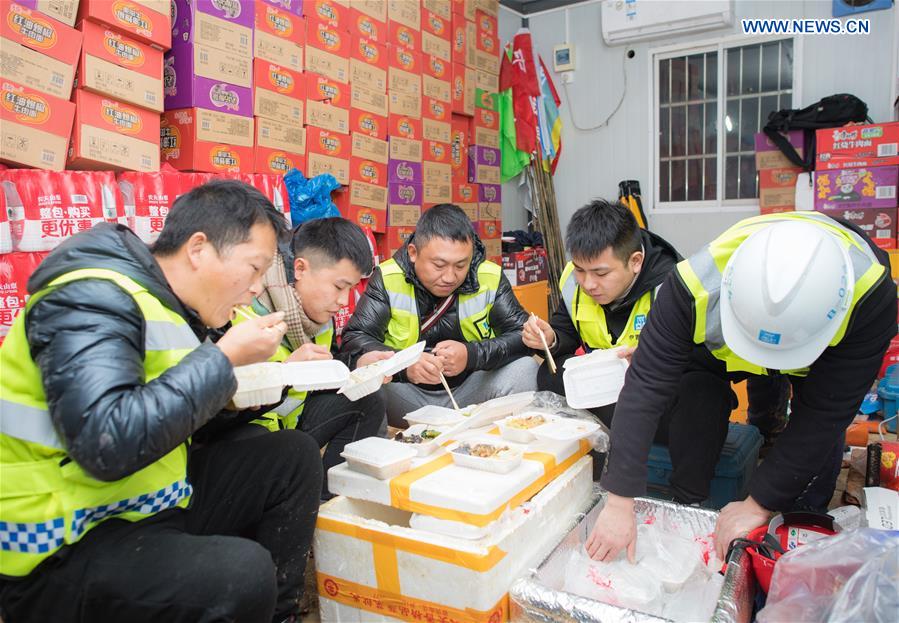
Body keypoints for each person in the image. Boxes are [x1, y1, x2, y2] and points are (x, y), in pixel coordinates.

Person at [0, 180, 322, 623]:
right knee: (241, 573)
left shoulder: (174, 309)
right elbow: (106, 442)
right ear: (198, 249)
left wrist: (247, 392)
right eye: (253, 268)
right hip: (64, 542)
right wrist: (222, 359)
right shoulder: (90, 296)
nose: (255, 288)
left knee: (292, 456)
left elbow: (173, 418)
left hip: (141, 506)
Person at [586, 211, 897, 563]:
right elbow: (645, 386)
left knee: (810, 461)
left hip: (820, 360)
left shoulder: (870, 300)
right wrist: (619, 500)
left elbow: (825, 414)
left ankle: (802, 520)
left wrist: (760, 503)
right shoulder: (691, 288)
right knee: (699, 390)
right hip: (724, 346)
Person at [522, 199, 735, 493]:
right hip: (608, 394)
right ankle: (585, 476)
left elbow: (711, 359)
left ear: (635, 262)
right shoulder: (574, 281)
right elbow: (566, 329)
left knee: (705, 391)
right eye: (581, 270)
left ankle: (688, 498)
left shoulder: (673, 286)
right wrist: (550, 338)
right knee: (550, 374)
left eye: (601, 274)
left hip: (656, 405)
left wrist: (656, 358)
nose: (588, 284)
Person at [225, 217, 392, 498]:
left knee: (368, 399)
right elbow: (220, 407)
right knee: (281, 444)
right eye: (339, 287)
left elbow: (326, 363)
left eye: (351, 289)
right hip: (245, 434)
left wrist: (357, 366)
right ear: (300, 268)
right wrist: (284, 373)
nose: (344, 300)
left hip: (291, 426)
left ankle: (329, 502)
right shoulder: (242, 311)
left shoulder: (317, 315)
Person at [341, 203, 537, 426]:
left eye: (461, 265)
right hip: (407, 396)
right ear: (413, 253)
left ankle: (507, 441)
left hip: (473, 393)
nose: (450, 277)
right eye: (439, 265)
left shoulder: (488, 276)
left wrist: (472, 355)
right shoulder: (388, 277)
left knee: (525, 369)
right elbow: (354, 340)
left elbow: (524, 336)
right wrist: (404, 365)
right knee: (364, 382)